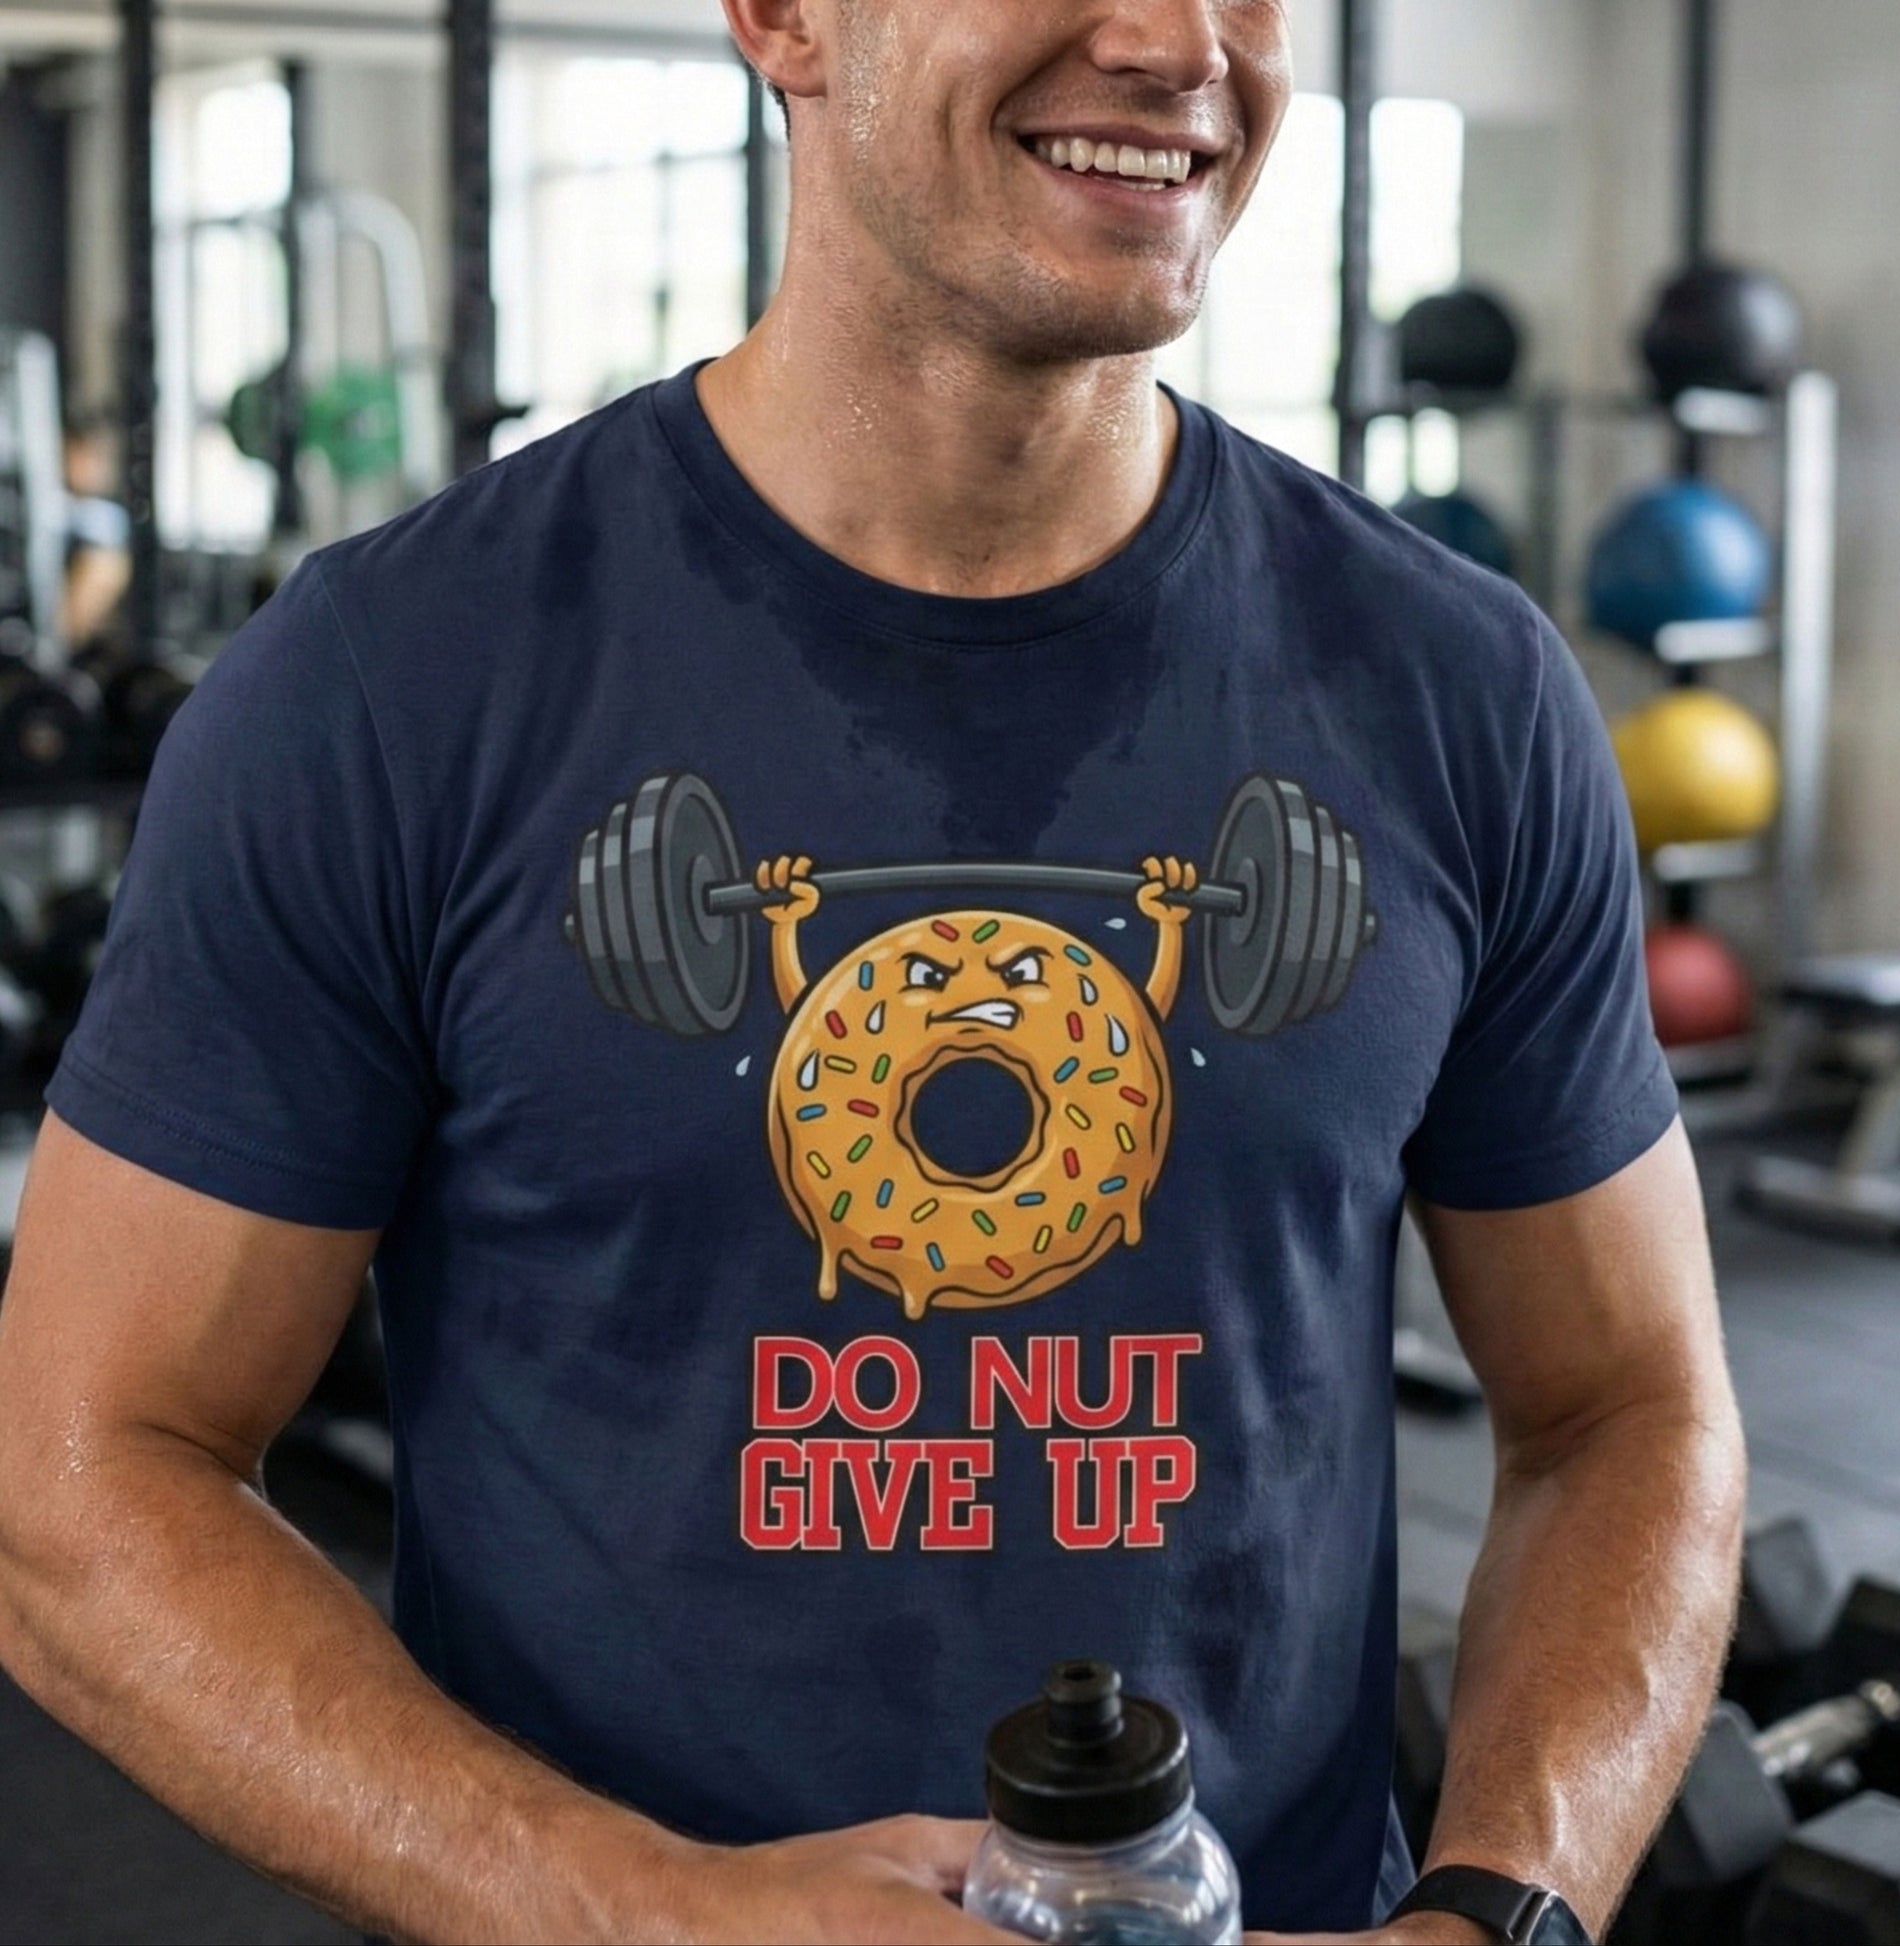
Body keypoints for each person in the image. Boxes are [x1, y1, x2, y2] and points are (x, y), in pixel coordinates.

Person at [0, 0, 1746, 1940]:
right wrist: (639, 1906)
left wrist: (1495, 1914)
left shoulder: (1456, 690)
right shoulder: (389, 686)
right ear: (780, 16)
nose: (1180, 43)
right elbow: (83, 1486)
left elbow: (1626, 1412)